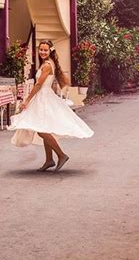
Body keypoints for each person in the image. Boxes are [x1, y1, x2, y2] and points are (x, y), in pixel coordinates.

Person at [9, 40, 94, 171]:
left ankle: (61, 155)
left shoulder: (47, 65)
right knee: (44, 127)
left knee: (42, 130)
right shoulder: (46, 64)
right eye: (41, 49)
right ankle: (49, 160)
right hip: (43, 96)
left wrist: (27, 100)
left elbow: (38, 85)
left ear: (50, 51)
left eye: (45, 50)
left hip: (43, 97)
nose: (42, 52)